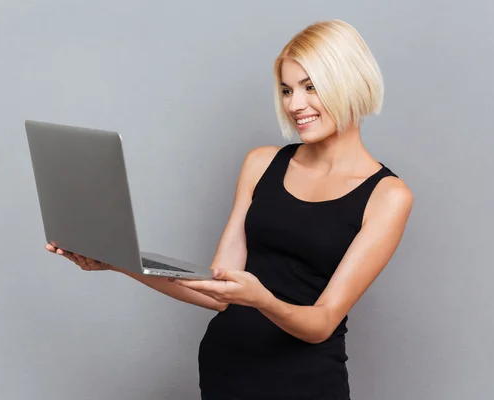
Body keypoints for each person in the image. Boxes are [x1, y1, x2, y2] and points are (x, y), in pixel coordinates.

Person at [46, 19, 413, 400]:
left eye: (311, 87)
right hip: (226, 373)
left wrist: (261, 299)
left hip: (304, 384)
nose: (294, 104)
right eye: (287, 90)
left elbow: (321, 323)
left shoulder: (388, 196)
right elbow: (217, 290)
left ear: (351, 82)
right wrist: (116, 261)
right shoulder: (261, 163)